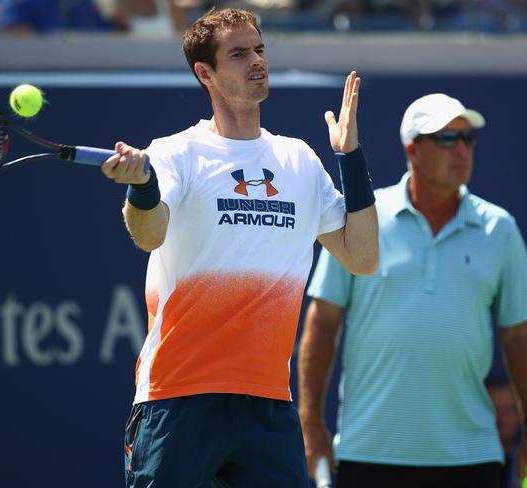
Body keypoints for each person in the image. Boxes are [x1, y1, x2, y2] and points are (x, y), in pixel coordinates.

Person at [99, 7, 379, 487]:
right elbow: (148, 234)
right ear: (204, 73)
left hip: (268, 405)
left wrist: (349, 157)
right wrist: (142, 188)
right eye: (239, 53)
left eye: (260, 49)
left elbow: (363, 257)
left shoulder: (299, 160)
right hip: (177, 398)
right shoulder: (175, 153)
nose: (257, 61)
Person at [297, 92, 527, 488]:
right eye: (446, 139)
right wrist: (310, 420)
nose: (461, 150)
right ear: (412, 150)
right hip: (367, 453)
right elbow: (321, 325)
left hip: (472, 456)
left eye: (467, 139)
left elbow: (518, 337)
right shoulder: (364, 220)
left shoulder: (500, 229)